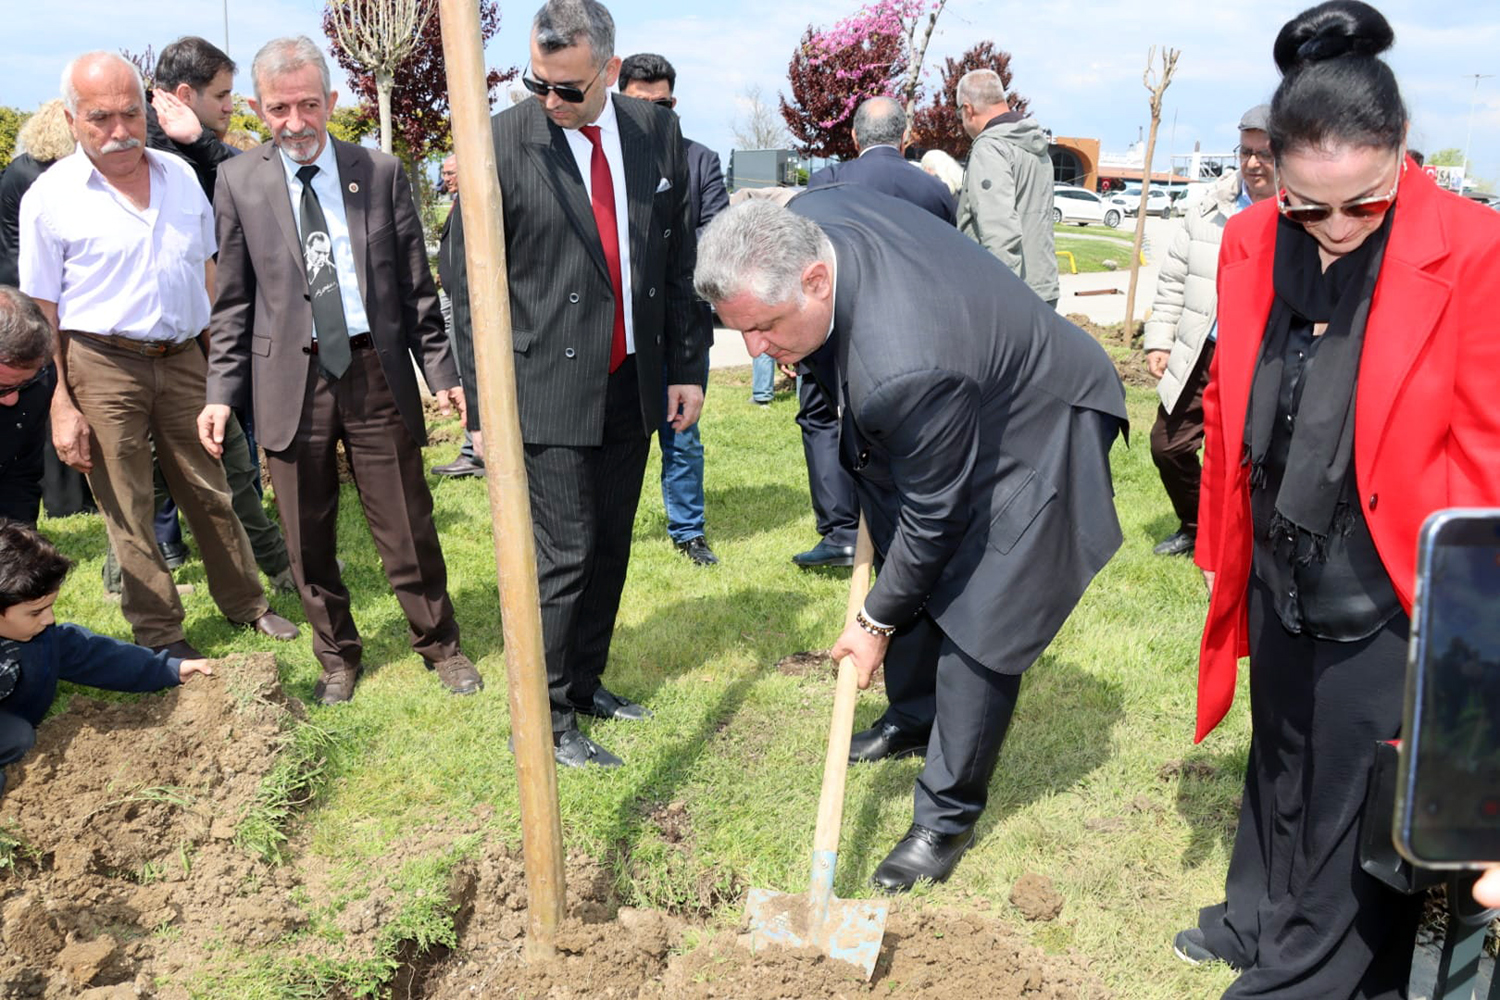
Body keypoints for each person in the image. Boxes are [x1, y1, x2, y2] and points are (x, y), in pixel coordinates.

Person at [1178, 3, 1500, 994]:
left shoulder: (1479, 252)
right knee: (1279, 747)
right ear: (1273, 170)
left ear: (1401, 153)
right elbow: (1235, 384)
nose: (1337, 230)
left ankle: (1305, 970)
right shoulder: (1245, 240)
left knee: (1352, 788)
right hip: (1280, 550)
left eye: (1363, 203)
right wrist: (1227, 532)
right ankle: (1258, 912)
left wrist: (1472, 621)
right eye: (1308, 208)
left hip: (1392, 572)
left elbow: (1490, 447)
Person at [696, 188, 1127, 891]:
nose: (756, 351)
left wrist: (871, 623)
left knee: (985, 611)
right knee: (904, 557)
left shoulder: (905, 363)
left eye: (768, 326)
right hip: (963, 380)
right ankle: (913, 717)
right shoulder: (810, 217)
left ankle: (943, 819)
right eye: (738, 330)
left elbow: (936, 519)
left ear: (815, 280)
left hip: (1044, 420)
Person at [200, 36, 481, 706]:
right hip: (287, 385)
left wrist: (442, 372)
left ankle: (440, 644)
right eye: (278, 108)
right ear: (257, 109)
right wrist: (219, 392)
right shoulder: (239, 180)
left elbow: (418, 291)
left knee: (407, 520)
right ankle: (337, 658)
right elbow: (233, 299)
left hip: (372, 371)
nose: (295, 122)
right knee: (307, 530)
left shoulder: (378, 173)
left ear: (331, 100)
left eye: (307, 104)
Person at [466, 0, 708, 768]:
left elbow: (676, 261)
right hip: (545, 387)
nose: (549, 100)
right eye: (538, 82)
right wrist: (483, 406)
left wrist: (686, 369)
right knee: (563, 553)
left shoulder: (654, 131)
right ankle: (544, 716)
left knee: (608, 546)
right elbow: (464, 286)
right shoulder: (501, 143)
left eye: (567, 87)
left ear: (609, 69)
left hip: (633, 381)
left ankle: (586, 681)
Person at [20, 51, 296, 660]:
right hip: (100, 362)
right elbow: (46, 314)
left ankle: (248, 604)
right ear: (71, 118)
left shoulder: (178, 177)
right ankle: (162, 633)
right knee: (127, 502)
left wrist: (223, 368)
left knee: (211, 486)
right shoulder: (48, 197)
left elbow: (208, 276)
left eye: (129, 113)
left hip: (184, 359)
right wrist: (62, 402)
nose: (119, 131)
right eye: (100, 118)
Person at [791, 98, 959, 572]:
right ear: (905, 138)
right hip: (913, 324)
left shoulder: (826, 182)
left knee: (823, 416)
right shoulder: (934, 190)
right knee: (904, 426)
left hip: (836, 322)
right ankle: (901, 525)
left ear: (854, 138)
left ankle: (842, 531)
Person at [1143, 105, 1276, 559]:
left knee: (1253, 457)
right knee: (1167, 445)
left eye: (1265, 153)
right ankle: (1197, 523)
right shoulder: (1208, 207)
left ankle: (1248, 540)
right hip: (1204, 349)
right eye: (1246, 152)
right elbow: (1173, 278)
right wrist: (1160, 338)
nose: (1253, 163)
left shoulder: (1300, 212)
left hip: (1263, 358)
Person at [0, 520, 213, 800]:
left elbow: (95, 656)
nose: (49, 619)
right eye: (35, 613)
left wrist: (171, 668)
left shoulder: (41, 636)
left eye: (50, 607)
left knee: (19, 736)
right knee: (17, 738)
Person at [618, 51, 727, 567]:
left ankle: (688, 530)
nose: (652, 115)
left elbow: (715, 233)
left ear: (674, 104)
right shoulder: (607, 162)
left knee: (682, 433)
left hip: (682, 322)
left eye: (661, 105)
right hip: (622, 327)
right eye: (640, 104)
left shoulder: (699, 159)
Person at [954, 69, 1060, 307]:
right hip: (1042, 284)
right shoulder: (1036, 146)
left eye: (959, 112)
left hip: (1009, 293)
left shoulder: (990, 148)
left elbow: (999, 231)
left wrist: (1002, 301)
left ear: (968, 109)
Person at [430, 153, 485, 480]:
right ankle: (473, 449)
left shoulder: (475, 204)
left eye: (452, 172)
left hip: (468, 304)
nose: (447, 178)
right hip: (452, 298)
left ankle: (475, 452)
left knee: (468, 372)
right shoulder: (457, 203)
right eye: (445, 173)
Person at [0, 287, 56, 526]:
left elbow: (20, 477)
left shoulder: (40, 378)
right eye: (1, 387)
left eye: (22, 385)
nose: (11, 400)